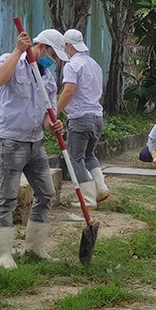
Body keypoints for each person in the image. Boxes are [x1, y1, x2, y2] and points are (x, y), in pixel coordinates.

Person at [0, 29, 68, 269]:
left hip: (36, 142)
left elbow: (46, 117)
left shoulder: (48, 79)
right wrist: (17, 51)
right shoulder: (10, 59)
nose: (53, 61)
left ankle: (35, 248)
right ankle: (3, 253)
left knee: (46, 194)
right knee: (8, 198)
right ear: (42, 46)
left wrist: (53, 123)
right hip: (11, 140)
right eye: (53, 55)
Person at [56, 29, 108, 211]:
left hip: (80, 118)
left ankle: (88, 200)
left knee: (76, 158)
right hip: (97, 117)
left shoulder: (72, 65)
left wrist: (55, 111)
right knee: (89, 155)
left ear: (69, 46)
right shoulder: (95, 64)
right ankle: (101, 188)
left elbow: (69, 91)